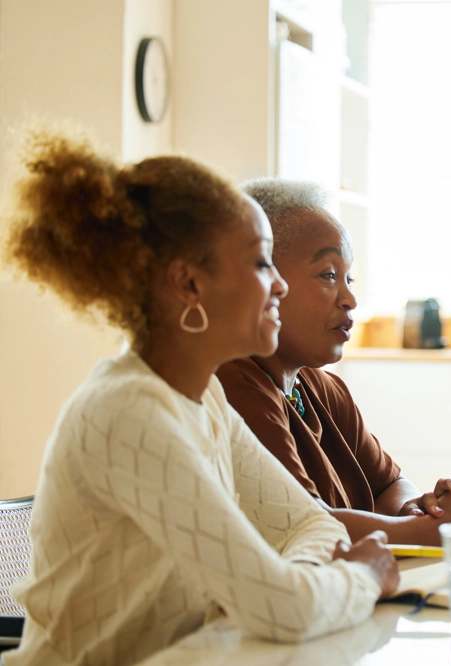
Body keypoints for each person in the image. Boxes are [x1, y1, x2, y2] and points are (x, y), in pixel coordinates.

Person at [1, 124, 398, 666]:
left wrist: (299, 580)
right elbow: (282, 608)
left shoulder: (202, 394)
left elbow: (312, 523)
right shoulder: (128, 413)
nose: (278, 285)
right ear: (189, 286)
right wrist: (362, 576)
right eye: (261, 263)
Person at [216, 179, 451, 547]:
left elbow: (389, 483)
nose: (350, 298)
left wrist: (418, 510)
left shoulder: (322, 386)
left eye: (349, 277)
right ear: (263, 280)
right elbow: (300, 521)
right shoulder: (232, 382)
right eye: (328, 274)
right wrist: (422, 532)